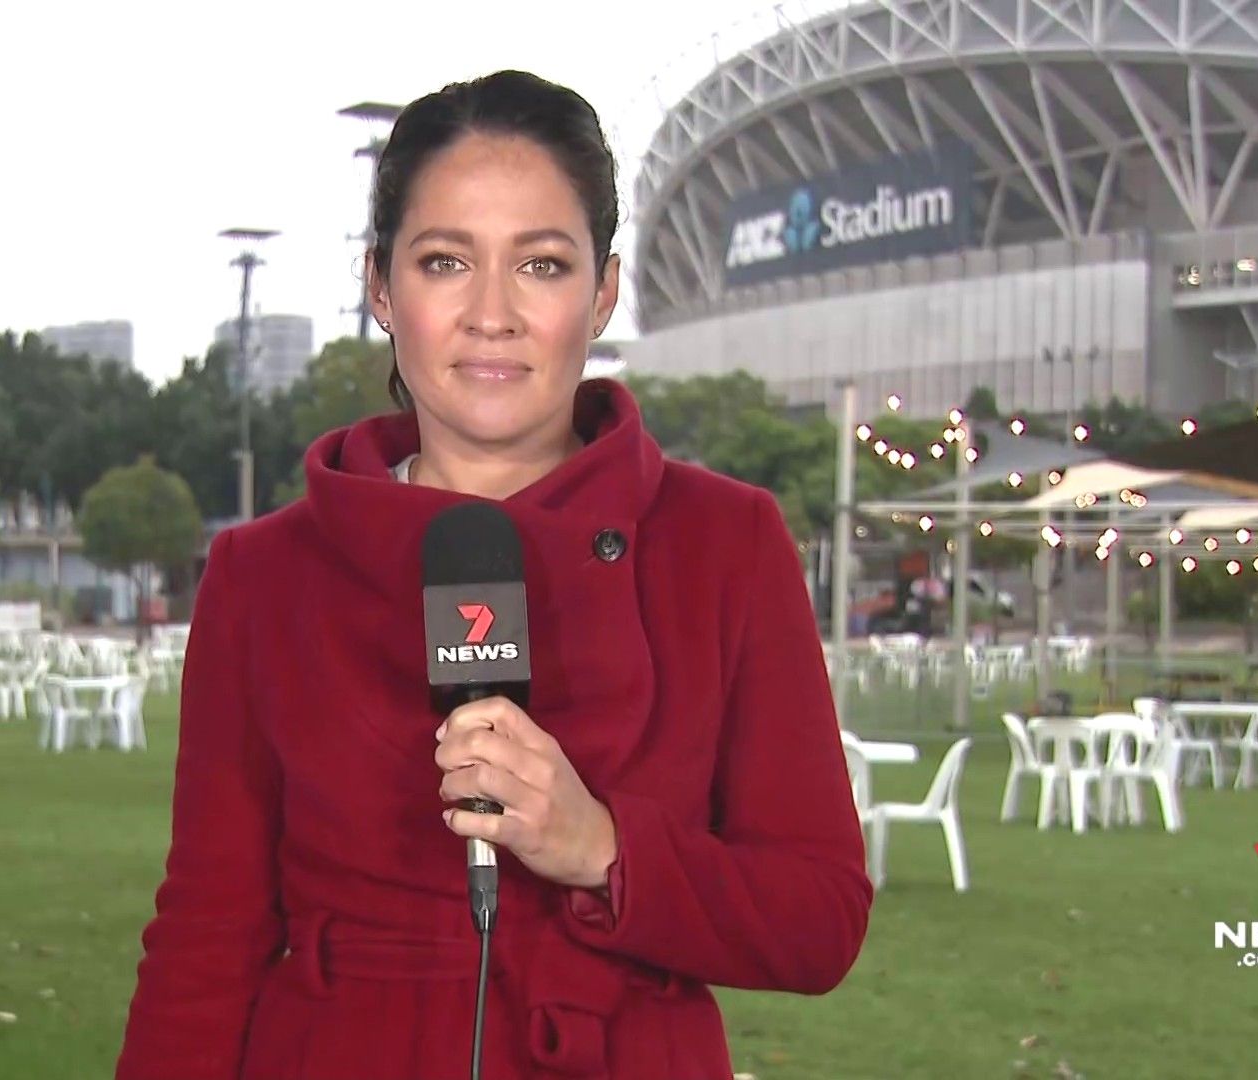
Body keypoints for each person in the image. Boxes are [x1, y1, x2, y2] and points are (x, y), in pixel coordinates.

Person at [118, 69, 871, 1080]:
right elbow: (207, 936)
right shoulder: (263, 575)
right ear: (380, 287)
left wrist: (603, 850)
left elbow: (820, 920)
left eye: (542, 265)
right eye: (445, 262)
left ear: (603, 293)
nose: (492, 314)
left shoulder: (725, 542)